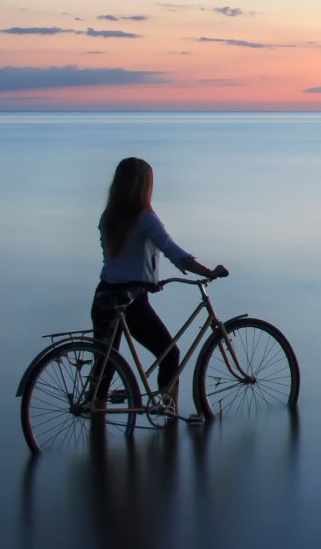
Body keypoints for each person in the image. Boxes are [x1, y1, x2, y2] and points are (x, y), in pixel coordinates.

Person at [94, 157, 229, 408]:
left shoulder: (108, 216)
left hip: (104, 296)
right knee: (170, 354)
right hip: (131, 301)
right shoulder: (145, 217)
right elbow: (173, 251)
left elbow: (115, 260)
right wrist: (208, 272)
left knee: (105, 364)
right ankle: (168, 417)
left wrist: (148, 281)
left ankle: (95, 427)